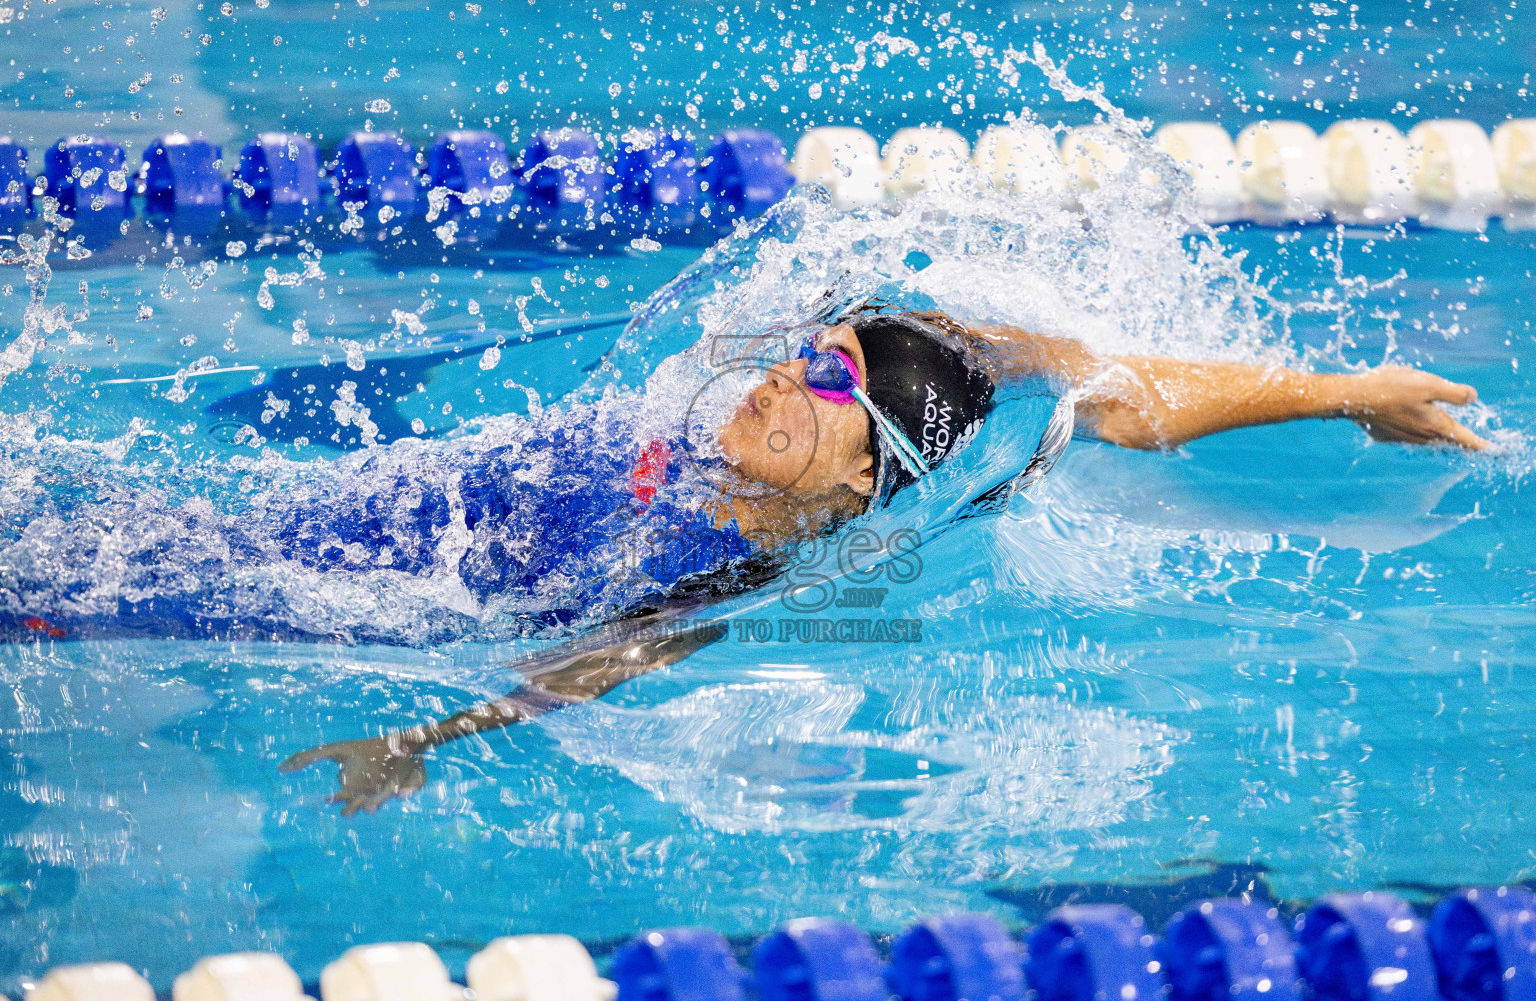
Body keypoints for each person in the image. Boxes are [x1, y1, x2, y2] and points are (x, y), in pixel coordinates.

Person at [281, 297, 1489, 815]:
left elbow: (606, 663)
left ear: (872, 475)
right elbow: (1101, 385)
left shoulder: (751, 574)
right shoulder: (700, 445)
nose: (779, 374)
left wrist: (417, 742)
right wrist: (1343, 387)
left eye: (829, 379)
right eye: (811, 349)